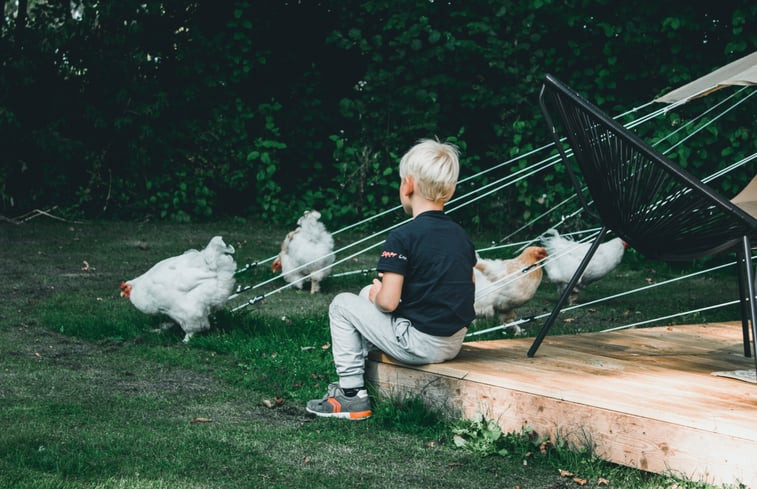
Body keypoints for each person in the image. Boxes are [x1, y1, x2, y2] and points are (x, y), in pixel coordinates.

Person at [306, 139, 476, 420]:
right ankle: (366, 370)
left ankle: (350, 395)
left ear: (407, 186)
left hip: (419, 344)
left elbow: (387, 303)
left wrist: (378, 295)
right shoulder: (462, 237)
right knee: (362, 295)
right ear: (451, 189)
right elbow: (465, 287)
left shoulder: (403, 237)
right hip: (452, 341)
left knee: (342, 304)